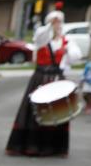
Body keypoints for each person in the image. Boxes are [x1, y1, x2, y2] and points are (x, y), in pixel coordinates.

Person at [6, 10, 80, 156]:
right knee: (34, 110)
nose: (57, 25)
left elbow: (75, 57)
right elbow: (40, 37)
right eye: (54, 22)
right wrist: (50, 26)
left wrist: (67, 50)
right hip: (40, 77)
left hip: (57, 77)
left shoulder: (67, 41)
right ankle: (29, 145)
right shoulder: (42, 38)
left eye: (59, 22)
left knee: (57, 110)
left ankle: (53, 147)